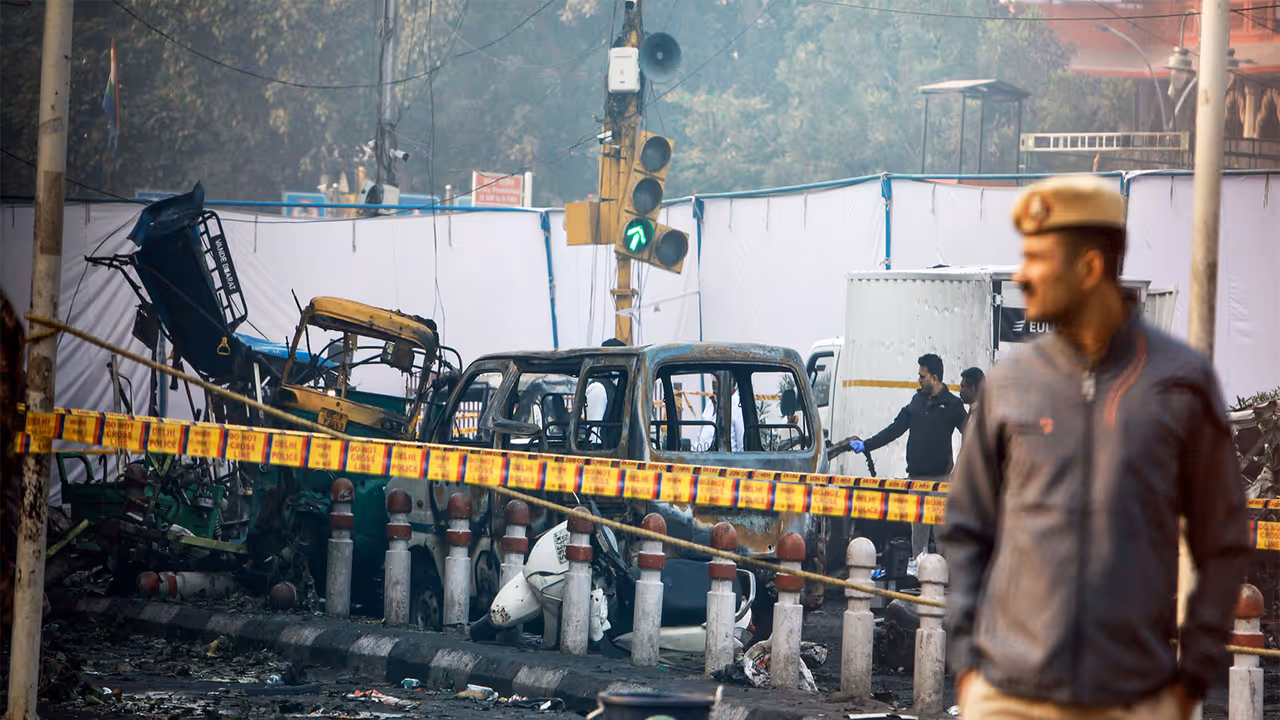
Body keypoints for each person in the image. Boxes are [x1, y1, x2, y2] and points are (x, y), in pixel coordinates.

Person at [940, 175, 1250, 719]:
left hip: (1132, 698)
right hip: (1007, 697)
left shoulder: (1180, 383)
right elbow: (967, 527)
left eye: (1037, 259)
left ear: (1087, 268)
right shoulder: (1010, 384)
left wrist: (1191, 679)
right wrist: (967, 667)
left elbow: (1223, 536)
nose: (1021, 275)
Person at [849, 353, 966, 561]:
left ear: (934, 378)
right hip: (915, 479)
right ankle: (919, 571)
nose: (918, 380)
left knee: (942, 533)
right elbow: (894, 429)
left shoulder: (952, 404)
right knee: (918, 534)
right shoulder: (916, 402)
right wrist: (867, 445)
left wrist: (962, 467)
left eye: (922, 376)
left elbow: (971, 434)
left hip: (940, 481)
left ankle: (945, 572)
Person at [695, 375, 744, 453]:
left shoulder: (738, 406)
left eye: (717, 377)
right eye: (713, 376)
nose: (713, 380)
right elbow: (700, 438)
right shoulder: (710, 403)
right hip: (702, 457)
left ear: (731, 381)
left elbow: (741, 446)